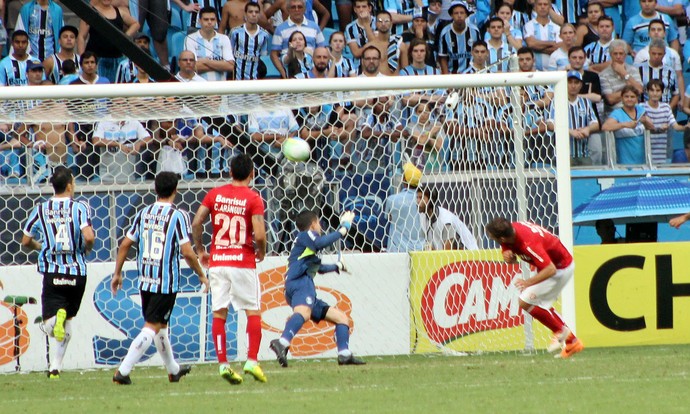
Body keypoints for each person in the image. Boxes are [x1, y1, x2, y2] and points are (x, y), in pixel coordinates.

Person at [111, 172, 209, 385]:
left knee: (160, 327)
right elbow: (187, 252)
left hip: (145, 280)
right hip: (166, 283)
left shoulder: (143, 213)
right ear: (175, 190)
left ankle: (173, 370)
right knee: (152, 327)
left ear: (155, 189)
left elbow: (125, 244)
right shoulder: (178, 215)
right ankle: (123, 371)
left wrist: (117, 272)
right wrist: (202, 275)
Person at [192, 153, 268, 384]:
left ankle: (223, 364)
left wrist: (201, 250)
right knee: (252, 310)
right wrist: (261, 252)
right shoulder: (254, 198)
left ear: (230, 172)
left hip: (218, 262)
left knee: (219, 313)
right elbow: (260, 234)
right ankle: (252, 361)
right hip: (242, 261)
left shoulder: (215, 194)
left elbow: (196, 223)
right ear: (252, 174)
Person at [21, 166, 95, 378]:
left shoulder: (41, 209)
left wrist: (40, 246)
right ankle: (55, 367)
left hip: (53, 272)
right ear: (70, 185)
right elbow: (88, 237)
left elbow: (25, 240)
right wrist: (87, 249)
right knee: (67, 321)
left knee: (50, 325)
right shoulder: (80, 208)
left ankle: (56, 321)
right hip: (77, 272)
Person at [268, 209, 365, 367]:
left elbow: (318, 268)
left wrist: (337, 266)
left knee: (342, 318)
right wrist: (343, 229)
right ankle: (282, 342)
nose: (320, 226)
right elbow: (320, 243)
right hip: (300, 282)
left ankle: (344, 354)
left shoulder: (307, 247)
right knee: (303, 313)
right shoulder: (307, 235)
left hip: (298, 285)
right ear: (313, 224)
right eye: (319, 223)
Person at [485, 217, 583, 359]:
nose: (493, 240)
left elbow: (550, 269)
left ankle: (561, 332)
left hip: (561, 268)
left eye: (494, 238)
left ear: (501, 238)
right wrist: (508, 256)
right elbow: (510, 248)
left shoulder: (529, 243)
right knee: (537, 304)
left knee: (526, 301)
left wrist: (528, 282)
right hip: (551, 266)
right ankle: (572, 342)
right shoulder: (511, 230)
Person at [602, 85, 653, 164]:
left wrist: (646, 122)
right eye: (626, 96)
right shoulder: (617, 113)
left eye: (632, 97)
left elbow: (652, 128)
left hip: (643, 161)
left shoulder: (641, 110)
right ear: (622, 98)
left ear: (637, 98)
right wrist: (624, 124)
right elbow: (605, 127)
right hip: (624, 162)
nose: (629, 99)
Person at [416, 186, 478, 250]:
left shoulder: (445, 220)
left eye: (421, 198)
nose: (417, 201)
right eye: (417, 198)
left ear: (431, 200)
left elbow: (447, 252)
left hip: (468, 255)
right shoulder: (423, 217)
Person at [184, 7, 235, 81]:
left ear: (216, 21)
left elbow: (230, 66)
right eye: (206, 19)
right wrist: (220, 65)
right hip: (198, 89)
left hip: (220, 89)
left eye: (212, 19)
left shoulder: (224, 39)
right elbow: (192, 67)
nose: (209, 22)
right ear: (199, 21)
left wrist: (205, 61)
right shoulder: (190, 39)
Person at [641, 79, 686, 164]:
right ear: (647, 91)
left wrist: (686, 127)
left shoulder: (666, 107)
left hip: (661, 152)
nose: (655, 93)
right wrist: (659, 128)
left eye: (658, 90)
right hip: (644, 152)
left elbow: (675, 126)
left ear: (662, 92)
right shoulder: (641, 107)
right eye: (652, 90)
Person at [384, 162, 425, 252]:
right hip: (420, 251)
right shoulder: (425, 201)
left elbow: (387, 218)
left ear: (404, 180)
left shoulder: (392, 200)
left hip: (397, 251)